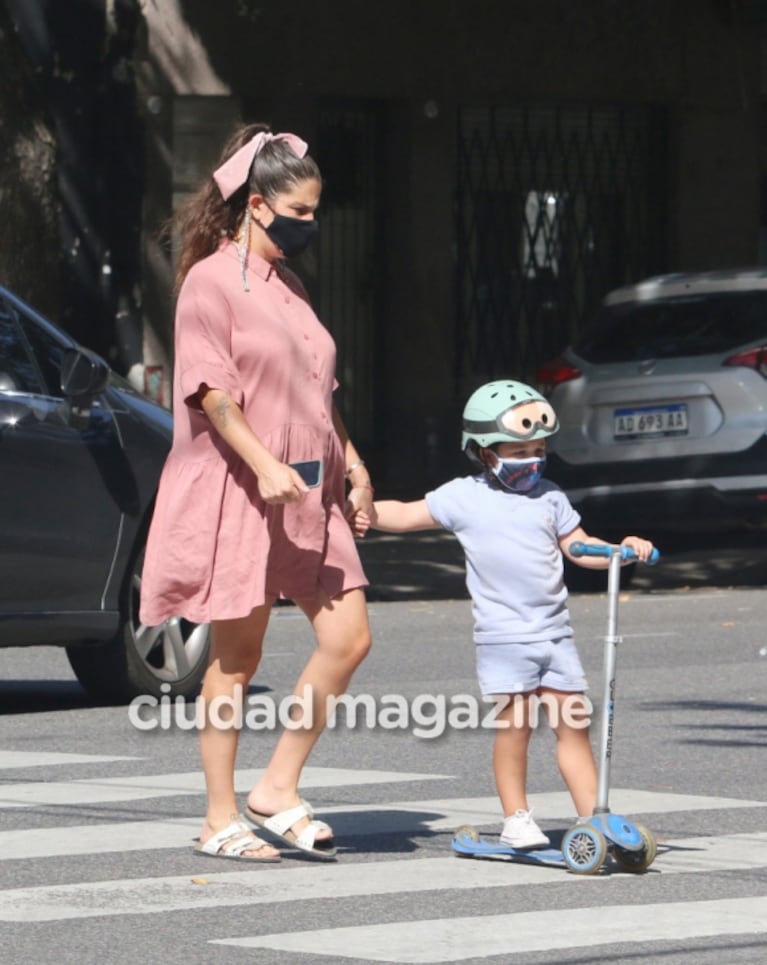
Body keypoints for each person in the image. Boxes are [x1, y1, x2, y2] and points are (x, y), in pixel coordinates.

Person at [139, 123, 374, 862]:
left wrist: (354, 463)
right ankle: (218, 816)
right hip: (246, 487)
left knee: (349, 638)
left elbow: (316, 387)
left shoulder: (291, 285)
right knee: (237, 657)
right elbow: (210, 393)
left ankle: (276, 787)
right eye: (299, 212)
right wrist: (264, 465)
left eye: (315, 211)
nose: (311, 224)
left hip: (311, 488)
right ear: (256, 204)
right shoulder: (210, 281)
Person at [355, 380, 654, 849]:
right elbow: (407, 513)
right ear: (484, 451)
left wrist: (622, 551)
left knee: (573, 727)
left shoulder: (551, 497)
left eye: (538, 449)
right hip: (503, 638)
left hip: (555, 634)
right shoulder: (464, 497)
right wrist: (361, 510)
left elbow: (579, 548)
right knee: (515, 730)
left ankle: (594, 816)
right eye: (518, 450)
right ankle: (516, 817)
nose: (531, 459)